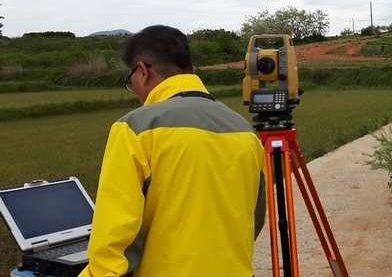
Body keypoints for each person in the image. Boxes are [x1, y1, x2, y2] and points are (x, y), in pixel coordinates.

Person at [79, 25, 266, 277]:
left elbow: (114, 238)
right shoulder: (244, 130)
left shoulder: (135, 127)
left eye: (130, 79)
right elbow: (253, 218)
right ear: (192, 71)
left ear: (142, 71)